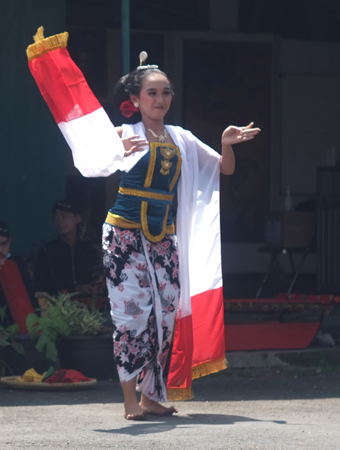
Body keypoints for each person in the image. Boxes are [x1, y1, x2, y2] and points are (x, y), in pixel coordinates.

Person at [101, 56, 260, 420]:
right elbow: (93, 163)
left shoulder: (181, 138)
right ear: (136, 99)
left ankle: (151, 396)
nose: (160, 99)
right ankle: (129, 400)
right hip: (123, 237)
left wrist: (226, 142)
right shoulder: (124, 134)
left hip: (163, 240)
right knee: (131, 317)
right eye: (152, 93)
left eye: (166, 92)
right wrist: (112, 151)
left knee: (165, 316)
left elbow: (224, 167)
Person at [34, 198, 102, 296]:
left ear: (78, 218)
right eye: (56, 218)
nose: (59, 221)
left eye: (64, 216)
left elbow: (96, 279)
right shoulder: (47, 251)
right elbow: (44, 283)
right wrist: (74, 289)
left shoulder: (89, 251)